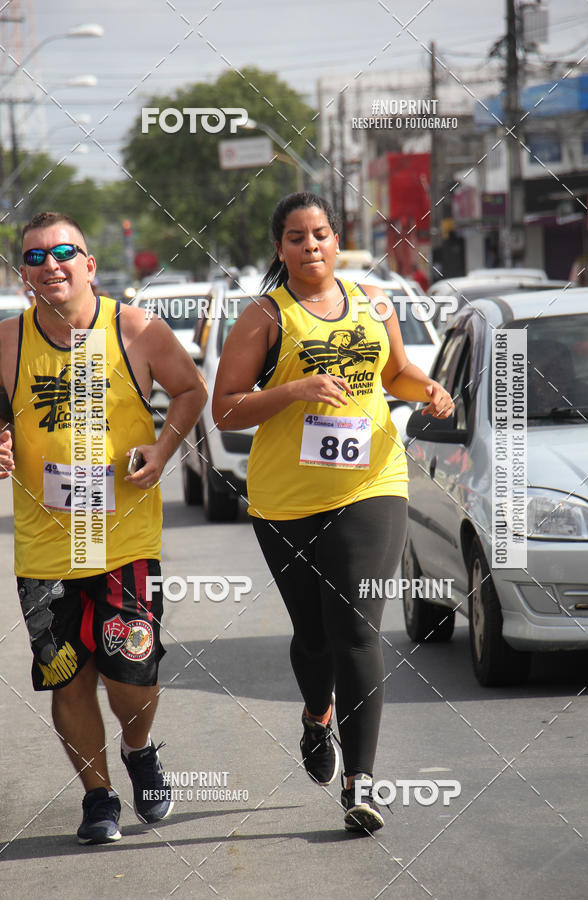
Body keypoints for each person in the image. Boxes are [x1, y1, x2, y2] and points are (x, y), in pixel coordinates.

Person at [212, 192, 454, 833]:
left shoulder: (375, 302)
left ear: (336, 239)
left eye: (320, 234)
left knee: (354, 630)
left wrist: (428, 390)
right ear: (280, 247)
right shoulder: (265, 317)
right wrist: (293, 389)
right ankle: (316, 713)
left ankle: (361, 783)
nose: (310, 246)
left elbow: (396, 372)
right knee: (314, 638)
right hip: (285, 500)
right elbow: (225, 408)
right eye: (296, 237)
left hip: (371, 483)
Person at [0, 211, 207, 844]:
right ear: (25, 276)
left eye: (64, 252)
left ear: (90, 263)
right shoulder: (7, 342)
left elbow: (192, 391)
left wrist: (164, 448)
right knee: (69, 676)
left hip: (124, 539)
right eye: (35, 257)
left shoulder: (135, 328)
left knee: (130, 676)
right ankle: (98, 799)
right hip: (44, 543)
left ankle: (139, 750)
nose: (50, 265)